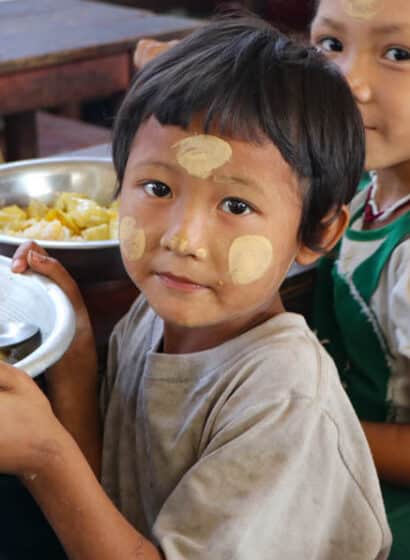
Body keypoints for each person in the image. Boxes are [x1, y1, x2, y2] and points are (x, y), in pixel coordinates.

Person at [0, 15, 391, 559]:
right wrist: (76, 342)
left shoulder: (281, 400)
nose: (183, 238)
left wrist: (45, 454)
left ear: (317, 232)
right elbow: (105, 493)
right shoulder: (161, 311)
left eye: (236, 205)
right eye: (157, 187)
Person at [310, 0, 410, 557]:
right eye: (331, 45)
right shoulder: (370, 183)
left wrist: (305, 426)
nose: (350, 85)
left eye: (399, 54)